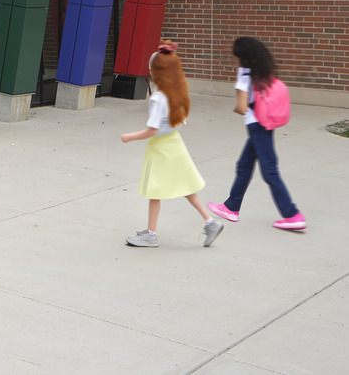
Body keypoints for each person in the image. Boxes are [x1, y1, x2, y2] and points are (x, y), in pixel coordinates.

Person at [120, 42, 223, 248]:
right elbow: (181, 121)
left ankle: (151, 234)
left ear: (153, 72)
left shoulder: (158, 98)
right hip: (175, 144)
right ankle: (210, 222)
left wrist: (130, 136)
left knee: (154, 190)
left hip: (161, 149)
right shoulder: (177, 92)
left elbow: (154, 130)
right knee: (185, 186)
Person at [208, 36, 305, 231]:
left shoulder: (244, 74)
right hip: (264, 123)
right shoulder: (263, 71)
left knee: (269, 170)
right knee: (244, 165)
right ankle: (231, 207)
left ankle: (292, 214)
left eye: (235, 57)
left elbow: (242, 107)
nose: (234, 61)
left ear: (242, 58)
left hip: (256, 125)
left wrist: (237, 107)